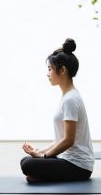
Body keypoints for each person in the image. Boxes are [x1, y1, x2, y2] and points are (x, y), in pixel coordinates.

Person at [20, 38, 94, 182]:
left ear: (62, 70)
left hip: (79, 166)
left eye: (49, 69)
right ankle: (43, 175)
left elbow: (68, 141)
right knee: (25, 161)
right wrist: (39, 152)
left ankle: (44, 176)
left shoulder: (70, 99)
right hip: (67, 160)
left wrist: (43, 157)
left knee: (28, 164)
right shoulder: (68, 96)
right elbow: (61, 139)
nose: (47, 74)